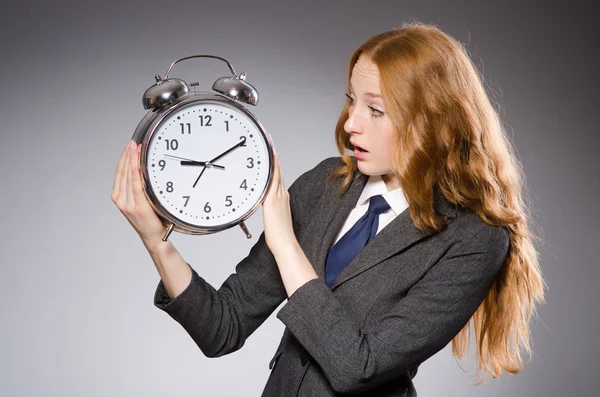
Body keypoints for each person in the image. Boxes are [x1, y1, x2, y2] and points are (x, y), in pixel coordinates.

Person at [111, 21, 545, 397]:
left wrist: (285, 244)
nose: (351, 122)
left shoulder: (474, 240)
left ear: (432, 120)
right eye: (351, 100)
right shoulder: (326, 184)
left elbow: (358, 367)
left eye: (375, 109)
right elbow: (222, 328)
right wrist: (156, 241)